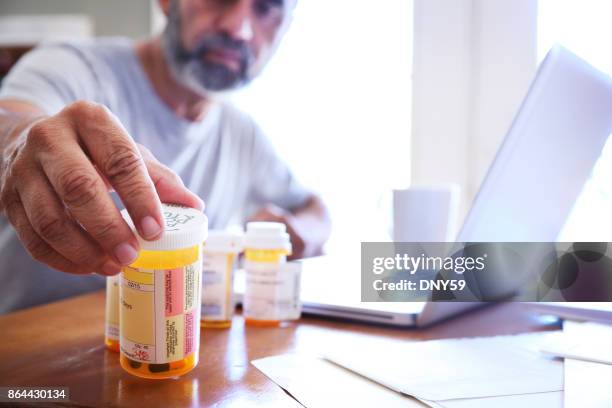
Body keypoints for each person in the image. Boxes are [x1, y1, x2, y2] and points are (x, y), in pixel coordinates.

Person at [0, 0, 330, 313]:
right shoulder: (70, 66)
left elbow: (315, 209)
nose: (238, 28)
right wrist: (19, 144)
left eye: (268, 8)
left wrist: (298, 233)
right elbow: (11, 121)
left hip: (166, 356)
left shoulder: (244, 135)